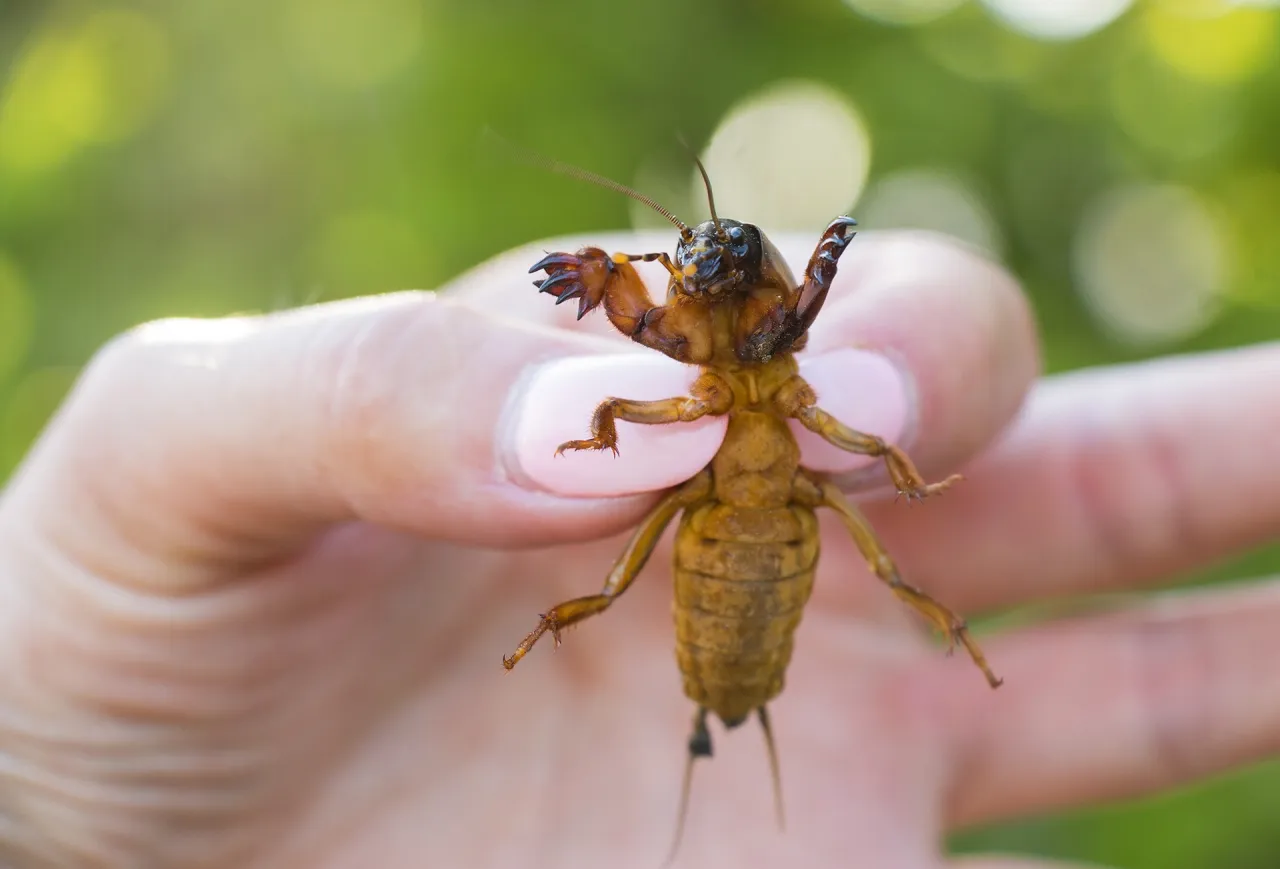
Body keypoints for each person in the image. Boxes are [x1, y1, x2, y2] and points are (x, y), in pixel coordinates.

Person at [0, 230, 1274, 869]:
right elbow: (642, 391)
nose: (717, 266)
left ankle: (875, 665)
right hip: (717, 542)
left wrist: (840, 302)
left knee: (885, 556)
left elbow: (845, 401)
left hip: (761, 544)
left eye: (738, 261)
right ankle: (624, 668)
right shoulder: (702, 369)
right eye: (696, 261)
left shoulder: (771, 360)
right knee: (613, 583)